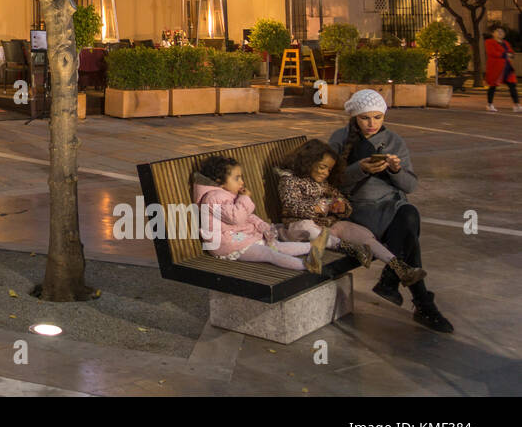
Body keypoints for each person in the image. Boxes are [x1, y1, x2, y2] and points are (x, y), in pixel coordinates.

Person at [328, 89, 453, 333]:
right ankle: (420, 301)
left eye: (378, 117)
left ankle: (392, 280)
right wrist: (360, 168)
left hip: (391, 207)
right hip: (359, 213)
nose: (372, 123)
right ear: (355, 117)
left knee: (409, 215)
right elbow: (329, 182)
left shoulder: (395, 140)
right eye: (365, 118)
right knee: (409, 234)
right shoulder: (339, 139)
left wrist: (396, 170)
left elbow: (411, 186)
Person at [277, 139, 426, 285]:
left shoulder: (323, 184)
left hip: (329, 227)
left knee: (359, 233)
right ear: (308, 162)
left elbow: (342, 201)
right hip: (300, 227)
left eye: (329, 170)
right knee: (308, 229)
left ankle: (398, 267)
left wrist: (341, 207)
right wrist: (321, 206)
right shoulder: (290, 180)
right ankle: (350, 248)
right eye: (323, 167)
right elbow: (291, 204)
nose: (326, 173)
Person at [193, 155, 326, 273]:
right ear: (219, 182)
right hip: (226, 243)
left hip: (235, 237)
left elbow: (247, 216)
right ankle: (306, 265)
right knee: (269, 252)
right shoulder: (213, 198)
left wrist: (261, 225)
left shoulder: (226, 195)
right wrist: (244, 198)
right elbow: (237, 218)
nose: (242, 182)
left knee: (274, 245)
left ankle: (312, 246)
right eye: (237, 178)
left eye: (241, 177)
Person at [485, 25, 520, 112]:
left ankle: (517, 105)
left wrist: (508, 55)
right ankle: (489, 104)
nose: (500, 33)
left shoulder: (506, 43)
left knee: (512, 85)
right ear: (493, 33)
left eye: (502, 32)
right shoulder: (489, 42)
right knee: (492, 86)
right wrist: (506, 55)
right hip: (496, 68)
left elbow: (512, 53)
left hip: (507, 68)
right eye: (498, 31)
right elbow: (492, 53)